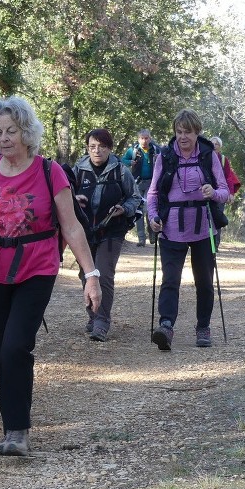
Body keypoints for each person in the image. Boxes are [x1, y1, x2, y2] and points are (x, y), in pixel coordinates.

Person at [0, 96, 102, 457]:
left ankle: (18, 431)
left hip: (36, 268)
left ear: (27, 132)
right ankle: (11, 427)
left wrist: (91, 274)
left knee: (15, 346)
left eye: (11, 130)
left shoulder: (49, 171)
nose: (5, 137)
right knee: (0, 352)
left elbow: (71, 227)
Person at [147, 110, 230, 350]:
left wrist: (213, 193)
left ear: (197, 132)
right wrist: (153, 216)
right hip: (171, 227)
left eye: (188, 132)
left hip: (204, 227)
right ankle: (166, 326)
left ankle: (203, 327)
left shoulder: (208, 155)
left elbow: (225, 190)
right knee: (170, 280)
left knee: (204, 281)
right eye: (179, 132)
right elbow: (152, 193)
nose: (182, 137)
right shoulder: (165, 156)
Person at [69, 128, 142, 342]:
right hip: (83, 232)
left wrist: (124, 210)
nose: (97, 150)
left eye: (101, 146)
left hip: (112, 230)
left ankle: (101, 322)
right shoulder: (78, 170)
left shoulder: (121, 171)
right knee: (86, 274)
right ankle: (92, 315)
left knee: (103, 273)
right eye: (92, 146)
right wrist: (76, 199)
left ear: (109, 148)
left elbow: (135, 198)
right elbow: (64, 197)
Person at [122, 129, 159, 246]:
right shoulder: (133, 150)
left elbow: (166, 159)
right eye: (142, 138)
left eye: (146, 138)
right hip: (137, 183)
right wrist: (130, 162)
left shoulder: (156, 149)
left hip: (152, 183)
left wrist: (159, 159)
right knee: (139, 211)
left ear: (150, 138)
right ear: (138, 139)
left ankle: (152, 235)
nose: (144, 140)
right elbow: (122, 160)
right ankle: (141, 239)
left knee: (149, 209)